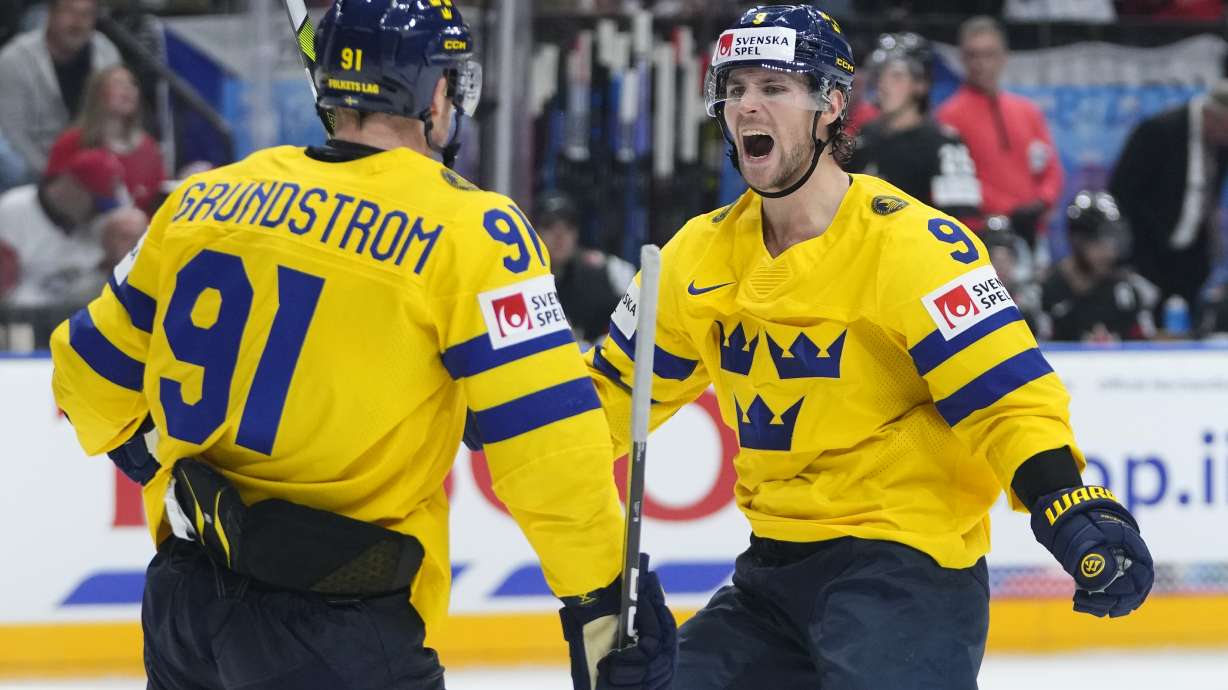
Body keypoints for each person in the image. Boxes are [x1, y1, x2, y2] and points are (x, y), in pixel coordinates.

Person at [48, 2, 674, 689]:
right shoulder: (473, 230)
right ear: (436, 93)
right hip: (336, 628)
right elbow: (550, 451)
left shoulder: (207, 199)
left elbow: (86, 369)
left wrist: (153, 462)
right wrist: (604, 606)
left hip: (184, 607)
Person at [584, 6, 1153, 688]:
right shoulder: (691, 258)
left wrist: (1063, 499)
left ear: (830, 104)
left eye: (773, 87)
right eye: (736, 88)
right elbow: (607, 401)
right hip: (771, 577)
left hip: (906, 569)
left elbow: (1005, 397)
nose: (747, 106)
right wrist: (508, 412)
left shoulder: (911, 245)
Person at [1109, 80, 1228, 327]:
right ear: (1212, 115)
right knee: (1146, 327)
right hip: (1149, 252)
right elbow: (1121, 190)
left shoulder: (1220, 142)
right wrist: (1133, 251)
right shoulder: (1159, 130)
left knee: (1193, 329)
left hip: (1193, 254)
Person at [937, 16, 1063, 247]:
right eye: (973, 55)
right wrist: (1012, 210)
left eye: (989, 54)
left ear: (1004, 57)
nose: (981, 64)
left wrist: (1042, 202)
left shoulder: (1028, 111)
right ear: (962, 59)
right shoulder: (949, 116)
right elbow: (959, 179)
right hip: (981, 235)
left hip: (1033, 232)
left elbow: (1051, 168)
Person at [847, 32, 981, 220]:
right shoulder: (864, 136)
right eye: (880, 75)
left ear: (921, 84)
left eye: (897, 76)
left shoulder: (943, 143)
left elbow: (960, 220)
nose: (883, 85)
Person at [0, 147, 132, 310]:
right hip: (23, 324)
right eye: (97, 206)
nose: (100, 215)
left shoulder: (100, 226)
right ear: (73, 187)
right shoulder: (12, 210)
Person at [0, 0, 121, 176]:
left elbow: (115, 121)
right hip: (35, 162)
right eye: (70, 11)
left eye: (86, 14)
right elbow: (14, 132)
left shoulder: (106, 54)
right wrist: (52, 175)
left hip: (92, 162)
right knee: (9, 160)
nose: (78, 22)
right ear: (50, 14)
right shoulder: (15, 59)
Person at [47, 64, 166, 214]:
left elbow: (158, 196)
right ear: (98, 93)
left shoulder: (147, 146)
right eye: (118, 83)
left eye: (132, 84)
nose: (128, 89)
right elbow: (51, 193)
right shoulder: (72, 140)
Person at [1041, 190, 1157, 342]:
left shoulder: (1127, 292)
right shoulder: (1048, 292)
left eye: (1113, 243)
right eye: (1101, 242)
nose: (1109, 253)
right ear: (1078, 241)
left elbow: (1147, 349)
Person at [536, 190, 635, 348]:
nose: (559, 235)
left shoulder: (596, 278)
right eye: (549, 224)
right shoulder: (521, 282)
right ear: (534, 231)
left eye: (568, 226)